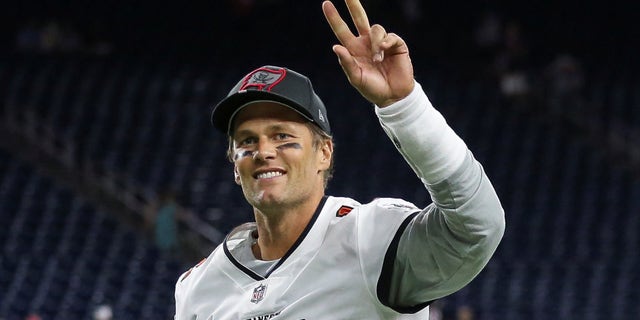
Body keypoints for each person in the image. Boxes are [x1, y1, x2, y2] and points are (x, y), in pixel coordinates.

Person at [174, 0, 505, 319]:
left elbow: (477, 227)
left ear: (324, 152)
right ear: (235, 164)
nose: (263, 151)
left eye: (282, 136)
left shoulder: (369, 239)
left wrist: (405, 107)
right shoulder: (198, 288)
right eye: (247, 141)